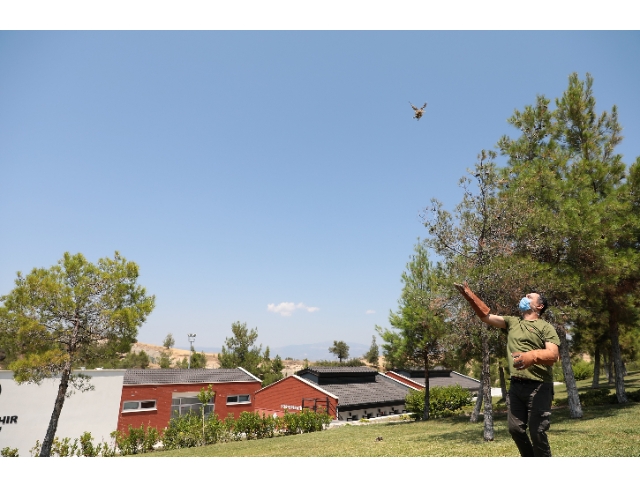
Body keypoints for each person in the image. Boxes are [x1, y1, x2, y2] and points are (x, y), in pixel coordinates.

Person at [454, 282, 561, 457]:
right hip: (516, 387)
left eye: (529, 297)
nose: (524, 298)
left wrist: (531, 357)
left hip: (540, 387)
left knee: (537, 431)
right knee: (515, 430)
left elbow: (553, 355)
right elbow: (486, 316)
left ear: (539, 306)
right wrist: (470, 296)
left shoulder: (545, 327)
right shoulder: (512, 322)